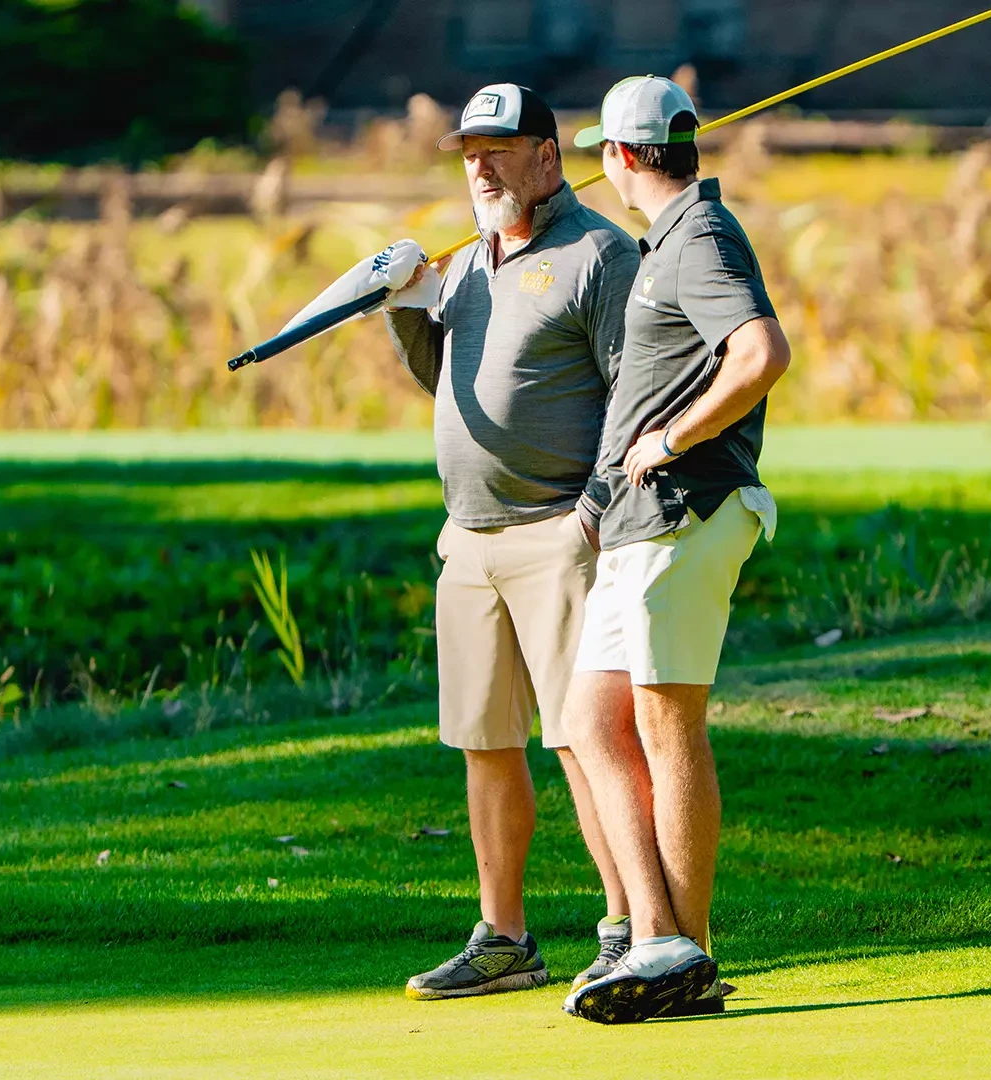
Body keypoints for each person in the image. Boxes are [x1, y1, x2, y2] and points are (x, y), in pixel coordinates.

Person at [382, 83, 644, 1001]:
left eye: (499, 149)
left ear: (549, 156)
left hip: (560, 533)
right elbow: (446, 382)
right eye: (468, 153)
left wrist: (594, 508)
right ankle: (504, 937)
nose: (481, 167)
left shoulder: (599, 253)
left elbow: (636, 393)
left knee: (585, 740)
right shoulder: (468, 266)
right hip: (471, 539)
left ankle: (624, 928)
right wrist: (405, 305)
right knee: (486, 742)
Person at [560, 75, 791, 1025]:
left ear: (618, 157)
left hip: (685, 511)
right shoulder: (673, 239)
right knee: (592, 720)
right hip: (639, 522)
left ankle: (682, 949)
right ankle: (662, 939)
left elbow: (761, 352)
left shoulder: (699, 238)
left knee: (664, 721)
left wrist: (670, 439)